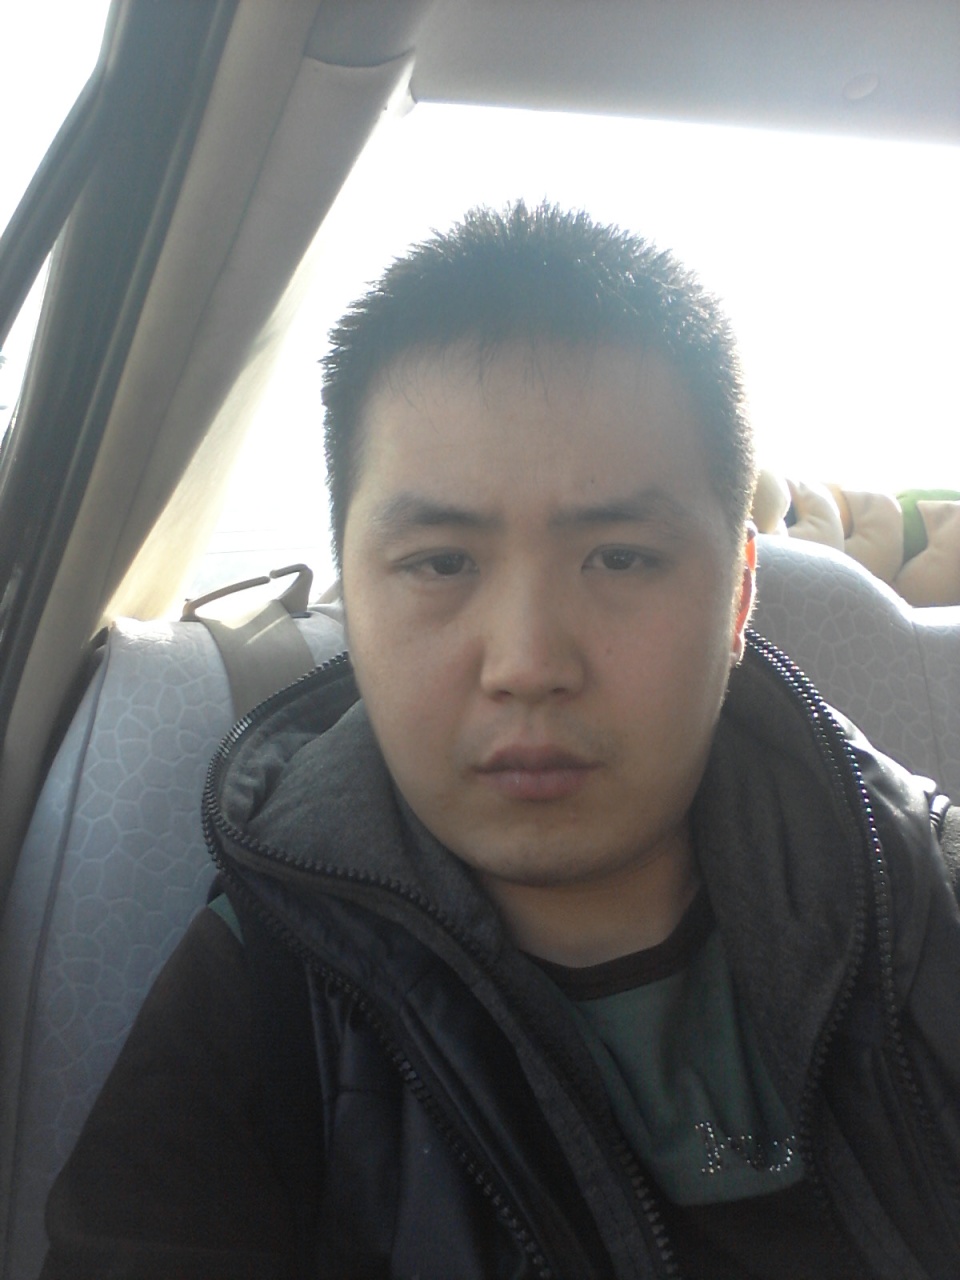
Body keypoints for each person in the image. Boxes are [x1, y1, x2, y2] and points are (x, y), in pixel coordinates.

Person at [42, 203, 960, 1279]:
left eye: (621, 558)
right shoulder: (267, 998)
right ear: (352, 591)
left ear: (739, 595)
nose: (527, 661)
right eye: (441, 563)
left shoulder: (922, 899)